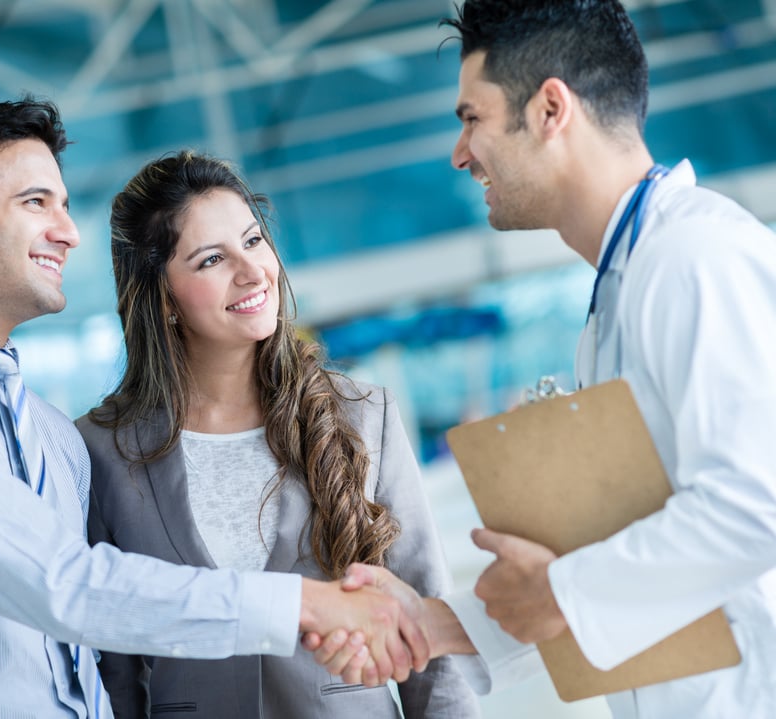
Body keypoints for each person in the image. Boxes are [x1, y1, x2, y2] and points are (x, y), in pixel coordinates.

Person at [0, 97, 439, 717]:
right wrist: (305, 604)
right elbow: (63, 586)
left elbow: (92, 665)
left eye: (65, 205)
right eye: (36, 201)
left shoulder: (49, 434)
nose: (67, 231)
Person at [314, 0, 776, 716]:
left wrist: (562, 590)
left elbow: (757, 505)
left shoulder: (695, 258)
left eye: (472, 118)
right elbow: (608, 557)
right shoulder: (622, 291)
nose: (459, 153)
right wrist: (437, 624)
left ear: (551, 108)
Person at [75, 150, 480, 718]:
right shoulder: (101, 451)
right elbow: (111, 671)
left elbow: (430, 638)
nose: (251, 271)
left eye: (254, 240)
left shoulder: (365, 416)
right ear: (161, 296)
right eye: (212, 258)